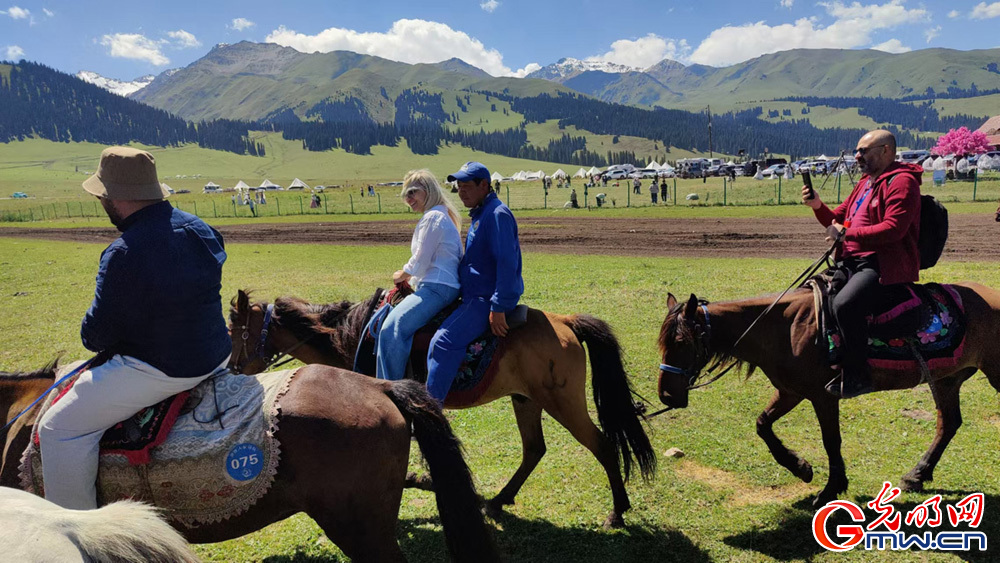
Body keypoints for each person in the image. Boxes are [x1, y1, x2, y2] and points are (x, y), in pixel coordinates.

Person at [38, 147, 231, 510]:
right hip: (216, 353)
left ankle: (76, 532)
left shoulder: (123, 252)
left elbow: (95, 337)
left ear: (115, 197)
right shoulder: (203, 230)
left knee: (57, 430)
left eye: (102, 196)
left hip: (162, 370)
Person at [801, 130, 922, 399]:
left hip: (882, 263)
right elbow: (838, 220)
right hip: (852, 261)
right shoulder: (865, 184)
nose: (857, 156)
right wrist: (818, 205)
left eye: (864, 151)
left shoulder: (903, 182)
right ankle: (837, 359)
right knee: (824, 299)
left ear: (886, 151)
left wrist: (846, 233)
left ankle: (858, 376)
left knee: (846, 305)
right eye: (857, 151)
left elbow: (894, 229)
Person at [426, 162, 523, 404]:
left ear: (484, 185)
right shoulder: (482, 213)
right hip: (472, 296)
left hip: (484, 299)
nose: (461, 192)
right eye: (458, 187)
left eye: (467, 186)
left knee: (443, 342)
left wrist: (499, 306)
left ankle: (430, 415)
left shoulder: (497, 214)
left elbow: (507, 263)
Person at [376, 170, 463, 383]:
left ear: (429, 190)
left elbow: (420, 260)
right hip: (441, 285)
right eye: (406, 195)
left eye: (413, 192)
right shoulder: (443, 214)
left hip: (436, 287)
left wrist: (401, 275)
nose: (408, 199)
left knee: (391, 329)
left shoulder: (433, 217)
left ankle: (390, 391)